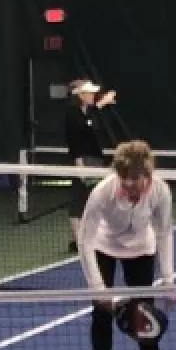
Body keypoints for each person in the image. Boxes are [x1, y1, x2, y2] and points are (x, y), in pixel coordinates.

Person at [77, 141, 176, 350]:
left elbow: (164, 232)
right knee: (100, 314)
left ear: (148, 175)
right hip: (104, 246)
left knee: (144, 313)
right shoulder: (102, 193)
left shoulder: (160, 191)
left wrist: (168, 280)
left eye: (136, 181)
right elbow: (85, 240)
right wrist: (98, 288)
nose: (131, 187)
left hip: (142, 249)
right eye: (125, 181)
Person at [64, 80, 118, 252]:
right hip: (84, 162)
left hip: (95, 161)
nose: (92, 95)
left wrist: (103, 103)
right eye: (88, 92)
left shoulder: (86, 113)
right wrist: (79, 164)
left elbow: (91, 116)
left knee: (93, 199)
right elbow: (74, 141)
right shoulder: (72, 115)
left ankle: (80, 239)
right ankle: (80, 242)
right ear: (79, 95)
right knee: (80, 200)